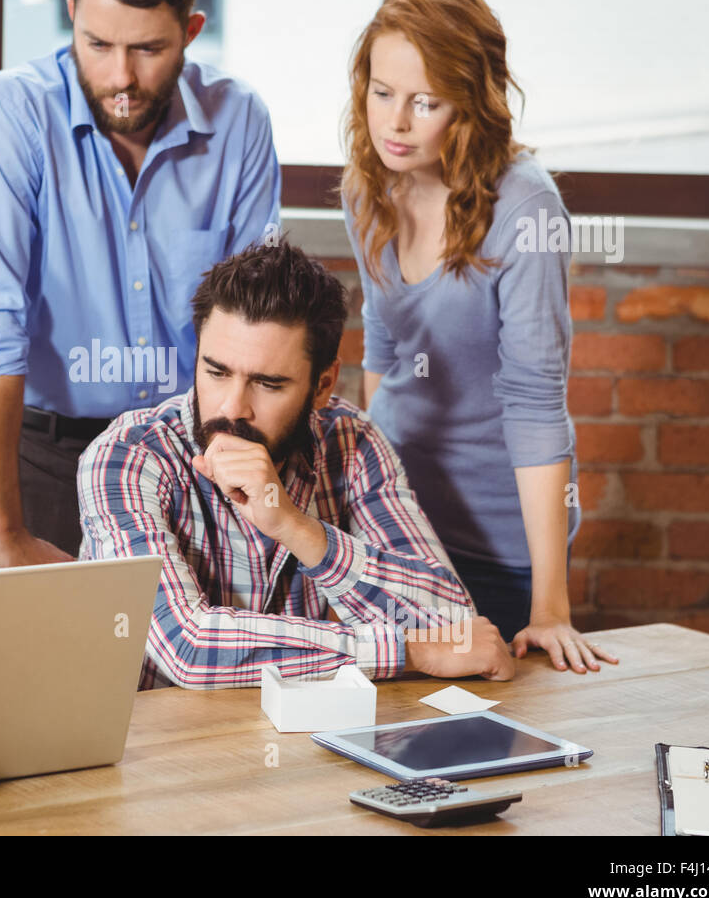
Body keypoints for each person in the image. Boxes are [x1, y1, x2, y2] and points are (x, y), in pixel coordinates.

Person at [0, 0, 280, 567]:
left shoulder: (239, 122)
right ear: (72, 14)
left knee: (198, 666)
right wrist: (5, 535)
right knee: (54, 666)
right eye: (97, 44)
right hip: (47, 460)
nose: (121, 78)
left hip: (196, 454)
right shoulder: (7, 116)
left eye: (148, 50)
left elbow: (255, 325)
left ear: (190, 31)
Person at [78, 241, 514, 689]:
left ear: (322, 386)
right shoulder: (127, 456)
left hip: (301, 743)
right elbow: (189, 648)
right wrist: (409, 651)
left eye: (268, 384)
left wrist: (295, 527)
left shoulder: (352, 441)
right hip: (161, 748)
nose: (233, 408)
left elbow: (455, 626)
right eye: (216, 372)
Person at [339, 0, 617, 673]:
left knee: (491, 749)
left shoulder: (526, 208)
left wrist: (551, 608)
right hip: (398, 536)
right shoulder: (368, 187)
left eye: (425, 102)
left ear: (469, 101)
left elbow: (534, 402)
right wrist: (379, 506)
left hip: (497, 544)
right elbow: (384, 353)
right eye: (382, 93)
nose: (395, 123)